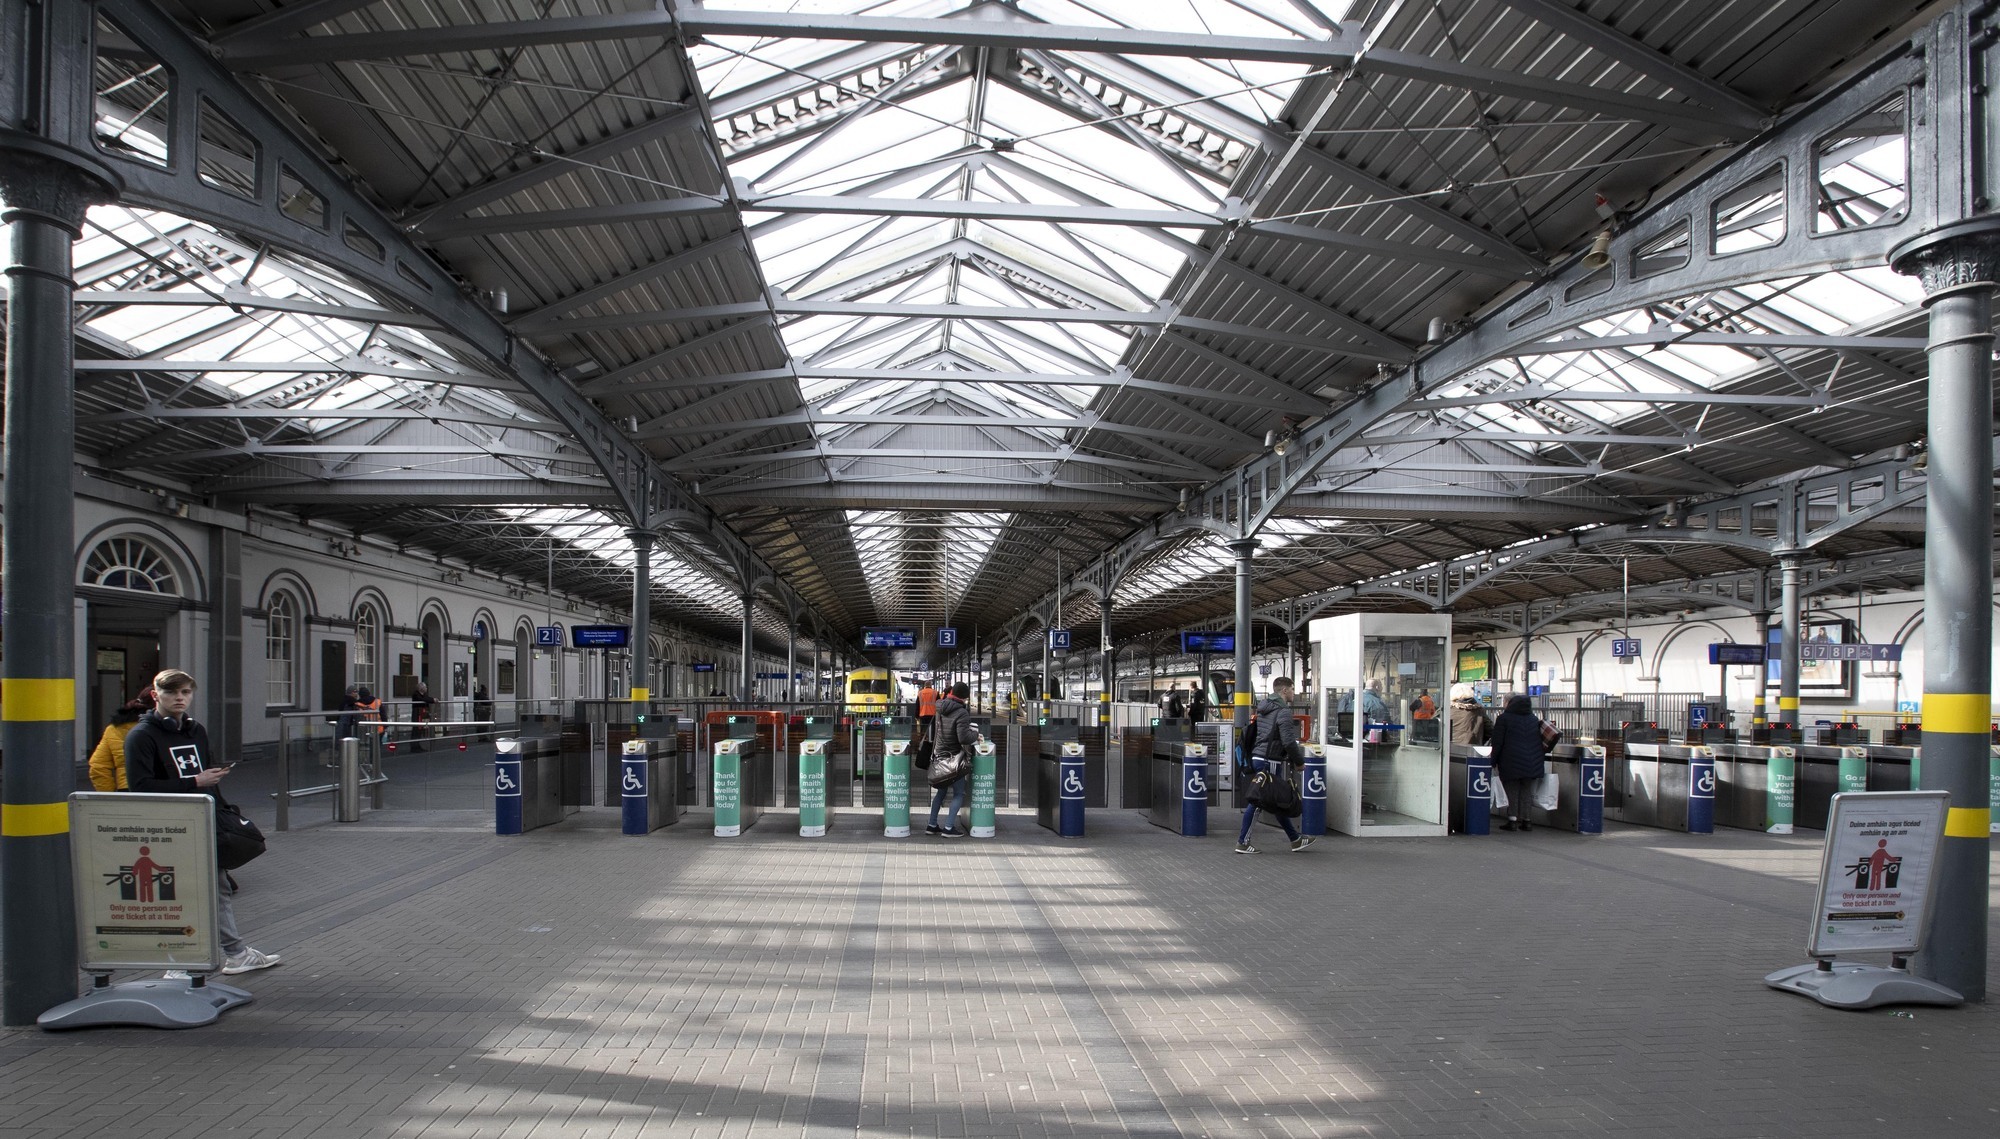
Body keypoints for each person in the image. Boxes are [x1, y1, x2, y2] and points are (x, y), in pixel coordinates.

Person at [124, 668, 281, 975]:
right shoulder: (141, 736)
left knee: (219, 887)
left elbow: (204, 771)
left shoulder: (196, 730)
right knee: (177, 893)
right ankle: (178, 963)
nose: (179, 698)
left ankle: (235, 953)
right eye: (171, 692)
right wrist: (195, 781)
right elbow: (140, 787)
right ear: (155, 696)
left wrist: (220, 804)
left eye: (185, 692)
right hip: (167, 825)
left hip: (202, 818)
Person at [1237, 677, 1316, 854]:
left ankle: (1295, 839)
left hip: (1259, 756)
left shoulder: (1265, 707)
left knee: (1277, 800)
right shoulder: (1283, 711)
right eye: (1292, 689)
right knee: (1258, 801)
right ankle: (1243, 842)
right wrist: (1299, 762)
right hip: (1269, 759)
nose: (1294, 693)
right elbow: (1288, 741)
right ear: (1284, 690)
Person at [1488, 693, 1552, 832]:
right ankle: (1527, 821)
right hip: (1532, 762)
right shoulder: (1533, 719)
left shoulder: (1504, 718)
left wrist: (1493, 761)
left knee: (1512, 790)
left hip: (1511, 761)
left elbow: (1497, 742)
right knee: (1526, 791)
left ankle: (1512, 820)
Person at [926, 682, 979, 837]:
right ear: (964, 697)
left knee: (941, 793)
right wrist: (976, 735)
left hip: (939, 755)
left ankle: (931, 825)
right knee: (959, 793)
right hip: (954, 758)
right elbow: (963, 737)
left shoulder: (940, 707)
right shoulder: (962, 712)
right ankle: (949, 828)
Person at [87, 687, 156, 792]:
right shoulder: (164, 727)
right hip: (161, 788)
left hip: (126, 788)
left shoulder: (114, 728)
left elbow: (98, 766)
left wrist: (109, 795)